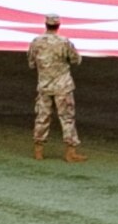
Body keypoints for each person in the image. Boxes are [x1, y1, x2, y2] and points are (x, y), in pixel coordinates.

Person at [28, 15, 85, 161]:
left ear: (46, 24)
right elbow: (75, 60)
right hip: (63, 86)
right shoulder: (64, 42)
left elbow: (31, 63)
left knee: (42, 117)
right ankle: (70, 152)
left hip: (44, 86)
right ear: (58, 25)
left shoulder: (36, 42)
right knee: (67, 118)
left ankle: (38, 150)